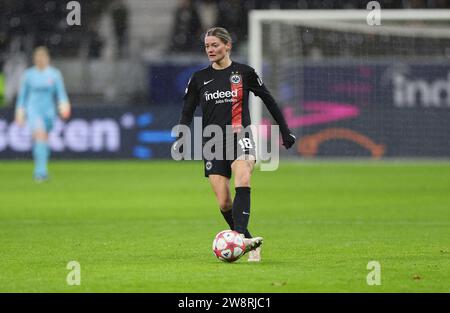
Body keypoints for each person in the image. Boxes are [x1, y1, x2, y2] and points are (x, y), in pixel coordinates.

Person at [173, 27, 296, 262]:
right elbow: (187, 110)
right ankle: (250, 242)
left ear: (227, 46)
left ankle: (238, 238)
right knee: (223, 201)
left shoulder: (244, 72)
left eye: (215, 45)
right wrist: (181, 136)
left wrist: (285, 130)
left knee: (243, 177)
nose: (210, 50)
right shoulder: (199, 78)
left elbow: (269, 100)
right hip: (212, 140)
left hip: (241, 136)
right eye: (207, 46)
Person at [15, 46, 71, 182]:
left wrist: (65, 105)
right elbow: (22, 96)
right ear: (34, 59)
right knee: (39, 135)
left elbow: (61, 93)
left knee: (44, 139)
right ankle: (40, 172)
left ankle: (43, 169)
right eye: (38, 57)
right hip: (33, 109)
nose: (40, 60)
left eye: (43, 57)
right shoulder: (29, 75)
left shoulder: (54, 74)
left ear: (47, 59)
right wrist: (20, 112)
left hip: (49, 111)